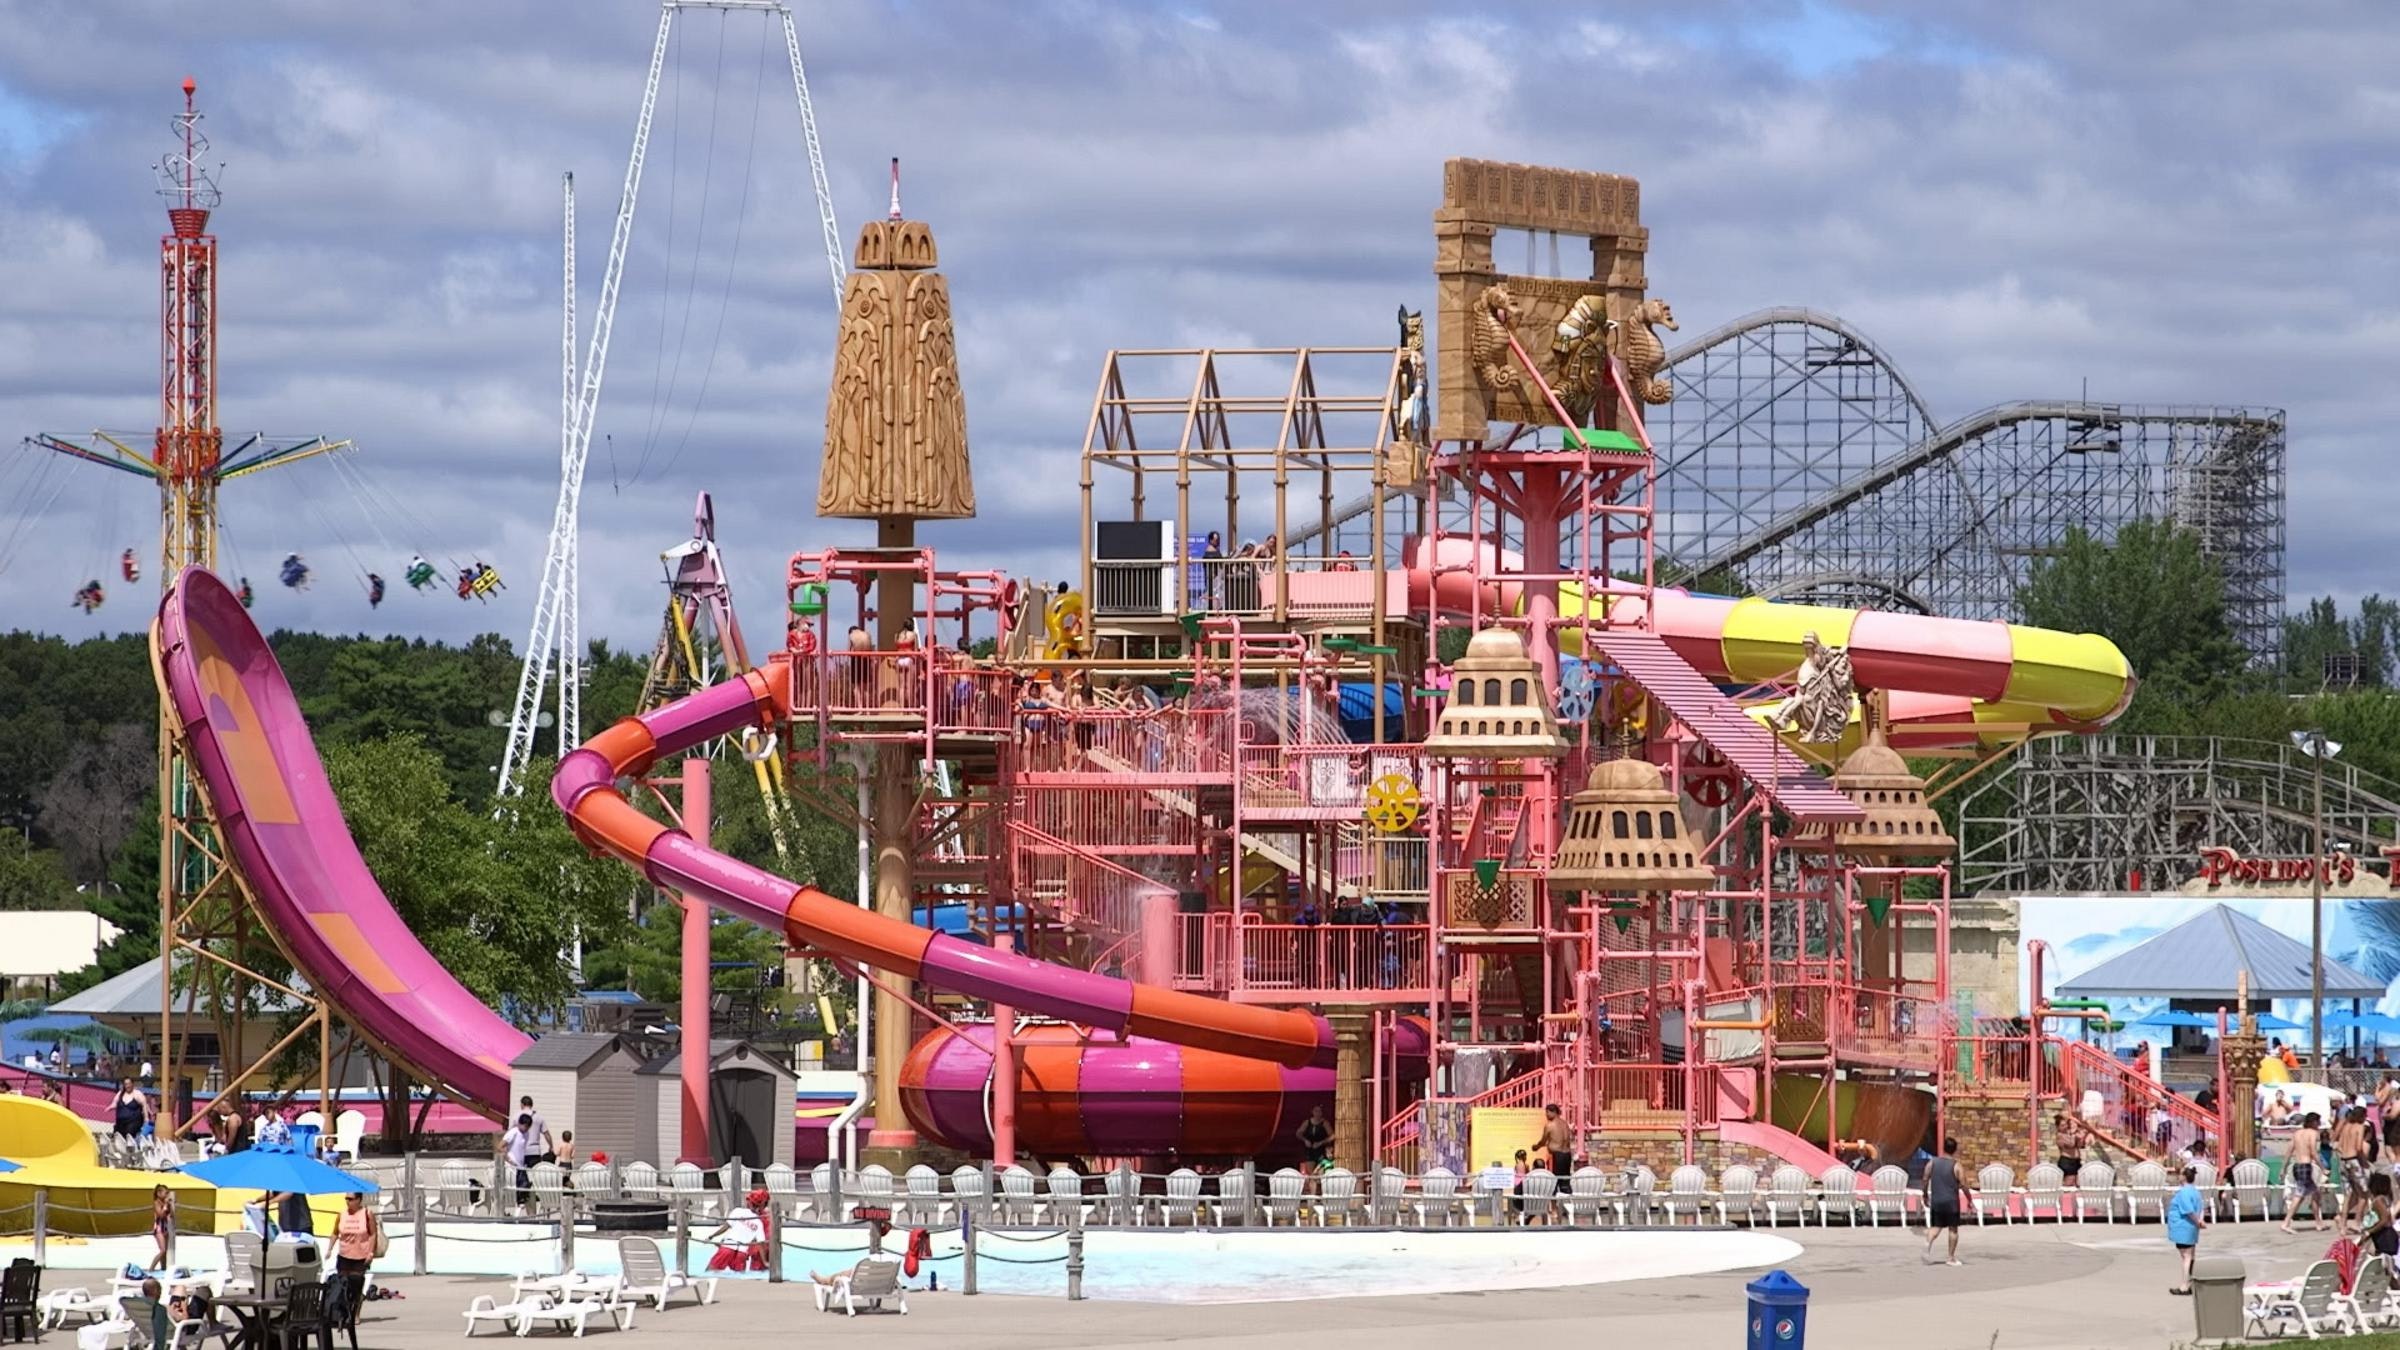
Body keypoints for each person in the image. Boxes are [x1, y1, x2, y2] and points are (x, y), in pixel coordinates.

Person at [332, 1191, 378, 1330]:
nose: (348, 1201)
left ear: (359, 1200)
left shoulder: (367, 1214)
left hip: (360, 1256)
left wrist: (371, 1252)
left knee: (356, 1286)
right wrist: (329, 1249)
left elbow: (373, 1233)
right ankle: (342, 1314)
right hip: (344, 1255)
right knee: (342, 1286)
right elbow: (335, 1232)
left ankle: (356, 1313)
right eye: (346, 1199)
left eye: (351, 1199)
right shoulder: (341, 1214)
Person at [2166, 1164, 2211, 1295]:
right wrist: (2200, 1221)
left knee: (2186, 1256)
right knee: (2190, 1256)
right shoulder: (2195, 1192)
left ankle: (2184, 1285)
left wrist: (2198, 1221)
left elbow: (2189, 1210)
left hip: (2183, 1227)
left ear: (2184, 1178)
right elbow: (2200, 1208)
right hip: (2191, 1227)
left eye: (2180, 1174)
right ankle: (2191, 1282)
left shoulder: (2184, 1192)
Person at [1922, 1136, 1964, 1266]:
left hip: (1937, 1200)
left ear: (1943, 1148)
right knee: (1953, 1230)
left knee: (1936, 1227)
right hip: (1951, 1202)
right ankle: (1951, 1258)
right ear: (1955, 1150)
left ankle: (1927, 1244)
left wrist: (1924, 1195)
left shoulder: (1932, 1163)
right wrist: (1969, 1199)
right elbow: (1963, 1184)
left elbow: (1925, 1178)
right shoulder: (1956, 1166)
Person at [705, 1189, 770, 1271]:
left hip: (727, 1247)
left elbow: (726, 1226)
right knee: (739, 1279)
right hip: (742, 1253)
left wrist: (711, 1236)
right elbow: (761, 1244)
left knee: (710, 1271)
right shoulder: (759, 1222)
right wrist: (765, 1262)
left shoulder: (738, 1211)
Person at [2284, 1111, 2327, 1234]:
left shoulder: (2297, 1133)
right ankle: (2286, 1222)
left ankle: (2318, 1222)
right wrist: (2322, 1168)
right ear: (2313, 1122)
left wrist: (2283, 1168)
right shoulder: (2313, 1133)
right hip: (2305, 1166)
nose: (2319, 1125)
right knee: (2299, 1195)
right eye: (2318, 1122)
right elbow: (2313, 1152)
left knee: (2316, 1193)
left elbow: (2289, 1151)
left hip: (2297, 1166)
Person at [2337, 1106, 2372, 1233]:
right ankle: (2357, 1222)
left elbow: (2339, 1146)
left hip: (2343, 1160)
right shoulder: (2360, 1127)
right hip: (2354, 1160)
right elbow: (2358, 1147)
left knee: (2348, 1194)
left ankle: (2343, 1224)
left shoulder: (2346, 1127)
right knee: (2363, 1193)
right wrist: (2364, 1162)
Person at [499, 1111, 538, 1216]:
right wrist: (508, 1158)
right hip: (512, 1166)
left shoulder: (527, 1134)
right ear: (519, 1124)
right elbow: (500, 1146)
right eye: (525, 1126)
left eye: (528, 1127)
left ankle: (531, 1215)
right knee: (515, 1191)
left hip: (521, 1166)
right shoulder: (513, 1132)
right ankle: (506, 1212)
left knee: (527, 1191)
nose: (526, 1128)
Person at [2366, 1172, 2400, 1261]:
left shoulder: (2378, 1201)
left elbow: (2384, 1220)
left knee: (2386, 1260)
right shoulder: (2385, 1199)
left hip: (2385, 1235)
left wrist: (2370, 1231)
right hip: (2387, 1234)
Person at [1538, 1102, 1575, 1179]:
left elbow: (1543, 1141)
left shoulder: (1550, 1125)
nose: (1546, 1115)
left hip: (1557, 1156)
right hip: (1567, 1155)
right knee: (1565, 1179)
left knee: (1556, 1179)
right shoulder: (1564, 1123)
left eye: (1547, 1112)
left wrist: (1536, 1146)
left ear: (1554, 1112)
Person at [517, 1095, 556, 1164]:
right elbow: (546, 1134)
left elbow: (510, 1131)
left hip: (521, 1149)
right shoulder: (538, 1117)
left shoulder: (517, 1116)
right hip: (534, 1150)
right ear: (531, 1105)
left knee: (521, 1173)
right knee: (533, 1173)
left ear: (522, 1104)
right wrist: (551, 1146)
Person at [2054, 1112, 2084, 1182]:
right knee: (2069, 1184)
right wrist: (2073, 1134)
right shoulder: (2060, 1136)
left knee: (2079, 1183)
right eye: (2062, 1125)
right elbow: (2071, 1144)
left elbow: (2080, 1145)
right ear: (2058, 1127)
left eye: (2066, 1125)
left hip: (2076, 1161)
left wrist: (2079, 1138)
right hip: (2067, 1162)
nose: (2065, 1127)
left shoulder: (2070, 1133)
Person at [150, 1184, 175, 1271]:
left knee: (165, 1252)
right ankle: (151, 1269)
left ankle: (163, 1269)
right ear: (159, 1193)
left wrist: (170, 1205)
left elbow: (171, 1215)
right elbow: (160, 1215)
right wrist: (165, 1207)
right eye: (166, 1192)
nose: (167, 1194)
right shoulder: (156, 1202)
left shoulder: (166, 1203)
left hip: (165, 1228)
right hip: (159, 1228)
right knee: (162, 1250)